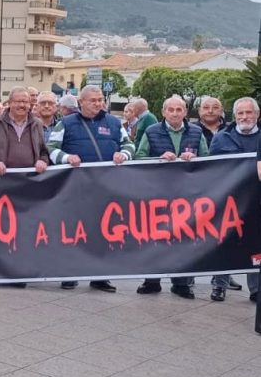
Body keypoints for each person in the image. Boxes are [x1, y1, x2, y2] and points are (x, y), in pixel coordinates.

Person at [47, 85, 134, 292]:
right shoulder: (65, 123)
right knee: (73, 231)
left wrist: (124, 155)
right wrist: (67, 158)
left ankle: (100, 276)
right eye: (93, 100)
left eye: (100, 99)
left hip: (106, 188)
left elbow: (129, 145)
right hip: (75, 187)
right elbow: (51, 148)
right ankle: (69, 274)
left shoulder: (114, 122)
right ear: (81, 102)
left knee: (102, 232)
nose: (98, 103)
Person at [134, 95, 207, 299]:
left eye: (179, 109)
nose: (175, 113)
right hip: (157, 194)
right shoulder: (151, 131)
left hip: (186, 195)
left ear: (185, 112)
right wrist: (158, 158)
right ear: (163, 112)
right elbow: (139, 157)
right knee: (154, 239)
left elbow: (208, 159)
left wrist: (195, 158)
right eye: (171, 110)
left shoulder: (197, 132)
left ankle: (181, 284)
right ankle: (152, 281)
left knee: (184, 239)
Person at [0, 87, 49, 289]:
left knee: (22, 231)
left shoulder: (36, 124)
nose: (22, 105)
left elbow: (44, 152)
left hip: (26, 185)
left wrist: (43, 161)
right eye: (18, 101)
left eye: (25, 102)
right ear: (9, 103)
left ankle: (17, 273)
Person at [209, 97, 261, 302]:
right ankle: (219, 285)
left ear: (257, 115)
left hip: (257, 201)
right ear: (234, 116)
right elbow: (210, 169)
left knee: (257, 245)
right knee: (225, 242)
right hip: (229, 201)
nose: (244, 117)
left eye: (249, 112)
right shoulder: (221, 138)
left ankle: (256, 289)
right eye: (240, 113)